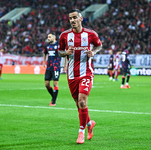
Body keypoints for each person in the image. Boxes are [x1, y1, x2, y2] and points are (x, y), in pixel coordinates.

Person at [58, 9, 102, 144]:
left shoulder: (90, 34)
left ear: (81, 19)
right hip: (71, 75)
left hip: (86, 73)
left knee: (82, 102)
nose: (72, 20)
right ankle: (89, 124)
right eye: (70, 18)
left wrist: (93, 52)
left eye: (75, 17)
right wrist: (65, 52)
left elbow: (99, 46)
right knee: (79, 105)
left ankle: (81, 132)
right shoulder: (64, 35)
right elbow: (59, 52)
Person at [43, 33, 66, 106]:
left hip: (56, 67)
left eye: (49, 37)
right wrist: (44, 62)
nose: (48, 38)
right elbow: (45, 53)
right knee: (46, 84)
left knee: (55, 83)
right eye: (48, 37)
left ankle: (53, 102)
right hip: (49, 67)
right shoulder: (47, 46)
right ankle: (54, 97)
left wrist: (65, 66)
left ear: (54, 37)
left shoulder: (59, 46)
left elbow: (65, 55)